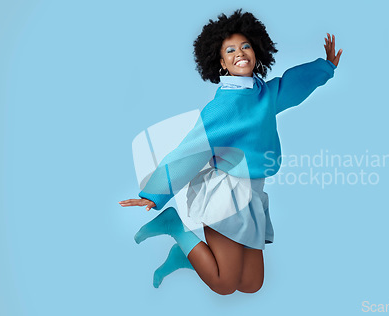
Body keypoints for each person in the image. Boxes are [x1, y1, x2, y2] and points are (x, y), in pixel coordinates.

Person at [119, 8, 342, 295]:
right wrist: (154, 193)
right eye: (231, 49)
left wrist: (326, 68)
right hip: (225, 193)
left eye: (246, 45)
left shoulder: (264, 94)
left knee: (251, 284)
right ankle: (176, 226)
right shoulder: (224, 106)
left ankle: (185, 256)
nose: (241, 52)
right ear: (221, 62)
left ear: (257, 51)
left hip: (253, 193)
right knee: (225, 284)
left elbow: (292, 87)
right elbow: (191, 149)